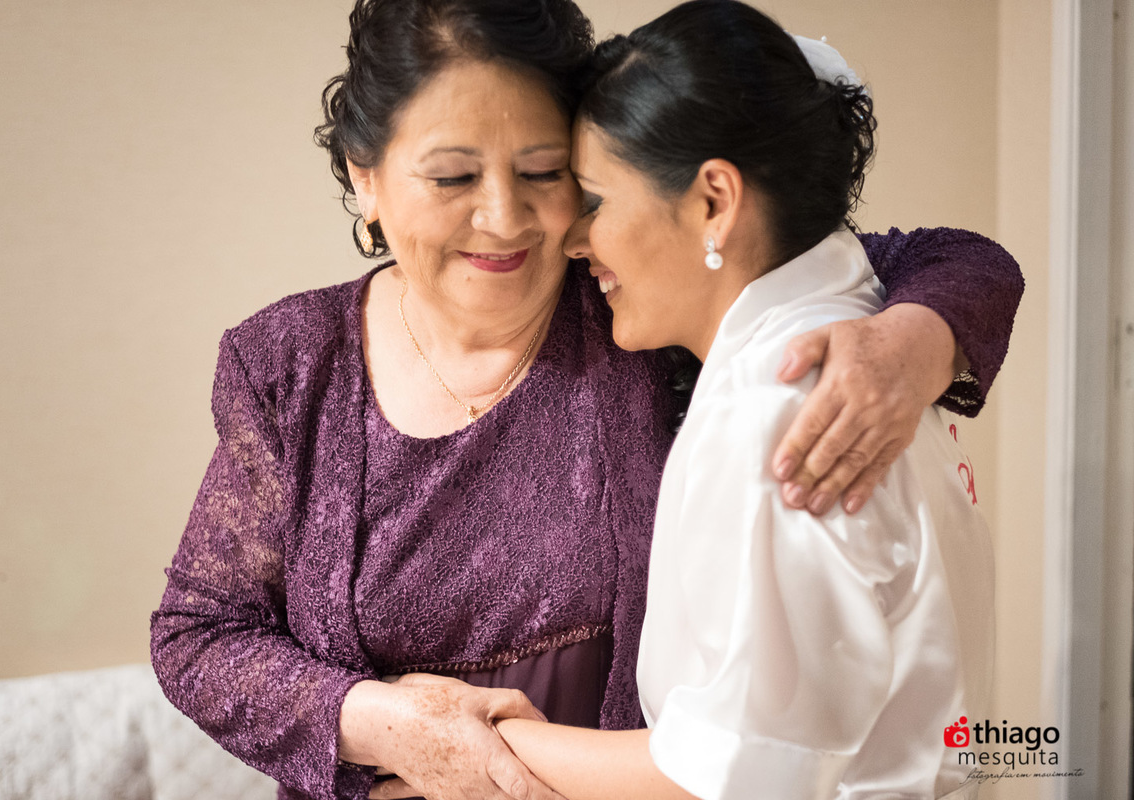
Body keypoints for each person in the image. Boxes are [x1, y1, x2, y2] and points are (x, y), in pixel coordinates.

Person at [149, 2, 1020, 799]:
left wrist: (915, 339)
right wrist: (392, 728)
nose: (509, 219)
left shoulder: (644, 307)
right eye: (453, 178)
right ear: (365, 177)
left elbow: (930, 255)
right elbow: (201, 633)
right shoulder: (291, 365)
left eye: (545, 172)